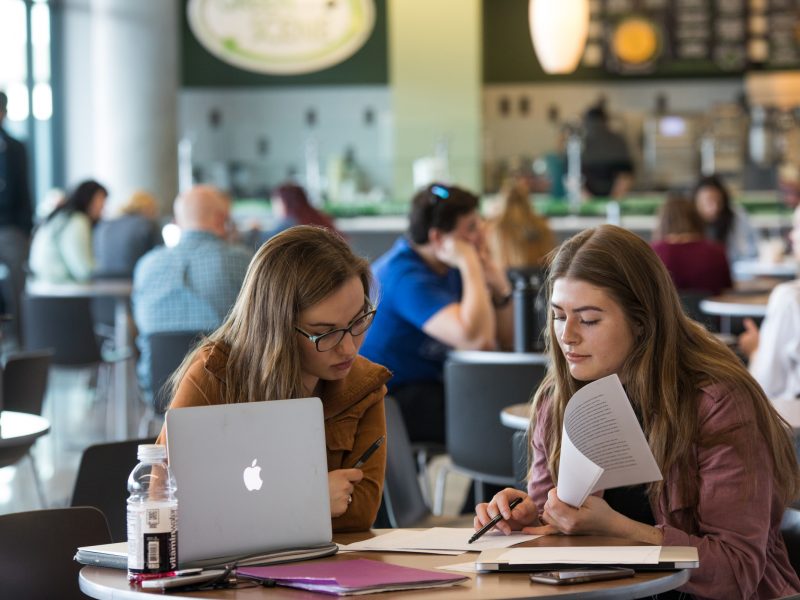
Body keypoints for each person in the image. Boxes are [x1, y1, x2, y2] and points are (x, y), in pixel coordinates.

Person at [474, 225, 800, 599]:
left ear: (642, 322)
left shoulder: (716, 402)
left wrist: (620, 529)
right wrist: (530, 520)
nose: (567, 336)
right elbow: (555, 540)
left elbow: (735, 572)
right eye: (559, 316)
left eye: (589, 319)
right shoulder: (557, 400)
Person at [156, 225, 390, 532]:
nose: (348, 348)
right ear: (275, 327)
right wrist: (310, 497)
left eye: (359, 321)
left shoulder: (364, 384)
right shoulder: (214, 373)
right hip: (231, 561)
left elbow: (359, 513)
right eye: (324, 333)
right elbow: (163, 501)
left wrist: (249, 507)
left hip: (330, 557)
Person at [360, 183, 513, 444]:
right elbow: (478, 341)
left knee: (504, 404)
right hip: (388, 399)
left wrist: (500, 289)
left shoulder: (446, 268)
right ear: (439, 238)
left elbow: (507, 342)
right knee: (493, 420)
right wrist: (470, 264)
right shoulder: (405, 276)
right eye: (471, 228)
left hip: (429, 384)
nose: (481, 235)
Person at [132, 185, 251, 395]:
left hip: (160, 391)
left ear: (176, 222)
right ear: (222, 219)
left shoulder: (146, 265)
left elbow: (141, 328)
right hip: (227, 391)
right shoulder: (242, 261)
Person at [739, 204, 800, 400]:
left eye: (797, 227)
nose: (791, 236)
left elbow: (766, 385)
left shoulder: (789, 297)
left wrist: (756, 350)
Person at [651, 194, 732, 296]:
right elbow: (726, 288)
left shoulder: (653, 252)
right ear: (696, 219)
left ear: (663, 222)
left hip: (667, 307)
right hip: (707, 306)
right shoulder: (716, 251)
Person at [0, 91, 33, 336]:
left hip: (11, 228)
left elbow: (24, 189)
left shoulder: (15, 147)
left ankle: (18, 340)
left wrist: (25, 230)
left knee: (17, 288)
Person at [28, 179, 107, 283]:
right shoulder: (78, 221)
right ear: (88, 199)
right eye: (100, 201)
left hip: (41, 285)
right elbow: (83, 271)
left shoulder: (61, 217)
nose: (102, 208)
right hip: (60, 287)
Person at [485, 179, 556, 270]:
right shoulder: (541, 225)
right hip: (538, 275)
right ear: (527, 202)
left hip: (503, 275)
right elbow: (550, 259)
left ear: (503, 202)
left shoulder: (495, 229)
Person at [246, 183, 341, 249]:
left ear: (284, 203)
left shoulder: (288, 225)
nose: (274, 207)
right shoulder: (320, 217)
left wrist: (255, 229)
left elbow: (265, 243)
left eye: (276, 202)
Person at [93, 190, 162, 278]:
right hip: (133, 279)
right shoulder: (147, 224)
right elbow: (160, 256)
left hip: (103, 281)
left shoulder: (103, 226)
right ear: (150, 208)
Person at [693, 174, 759, 265]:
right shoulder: (689, 223)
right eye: (708, 201)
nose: (714, 207)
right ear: (696, 202)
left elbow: (749, 251)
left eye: (718, 201)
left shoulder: (736, 217)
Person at [580, 102, 634, 199]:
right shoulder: (580, 143)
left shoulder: (617, 141)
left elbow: (625, 175)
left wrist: (614, 198)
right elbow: (573, 177)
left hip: (611, 196)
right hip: (588, 197)